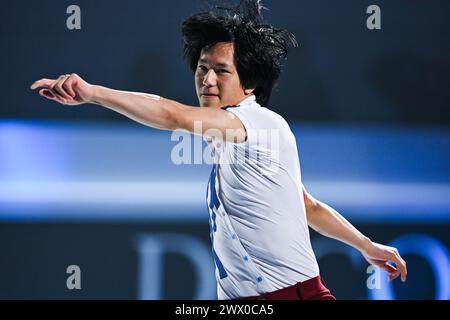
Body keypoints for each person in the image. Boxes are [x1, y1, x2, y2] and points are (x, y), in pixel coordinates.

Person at [30, 0, 407, 300]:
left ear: (250, 84)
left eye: (221, 71)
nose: (207, 79)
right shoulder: (229, 135)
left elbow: (173, 115)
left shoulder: (260, 123)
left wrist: (93, 94)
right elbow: (305, 205)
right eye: (202, 67)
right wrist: (364, 243)